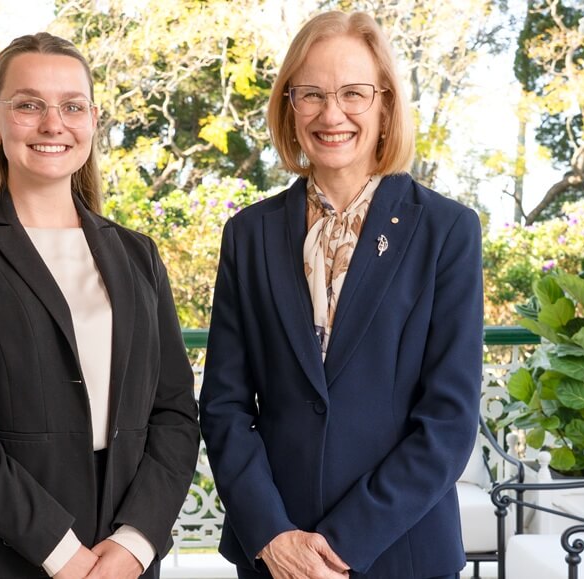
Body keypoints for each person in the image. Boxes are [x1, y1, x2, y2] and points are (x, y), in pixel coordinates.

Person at [0, 32, 200, 579]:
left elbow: (174, 414)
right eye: (29, 104)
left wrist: (134, 543)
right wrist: (61, 552)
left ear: (93, 119)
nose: (52, 124)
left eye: (71, 106)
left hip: (122, 556)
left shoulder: (138, 255)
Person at [198, 10, 483, 579]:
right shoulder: (248, 234)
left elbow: (448, 420)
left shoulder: (447, 230)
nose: (332, 115)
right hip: (274, 555)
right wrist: (274, 536)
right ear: (289, 105)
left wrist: (340, 547)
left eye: (354, 93)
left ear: (384, 104)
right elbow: (225, 405)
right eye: (311, 95)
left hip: (402, 552)